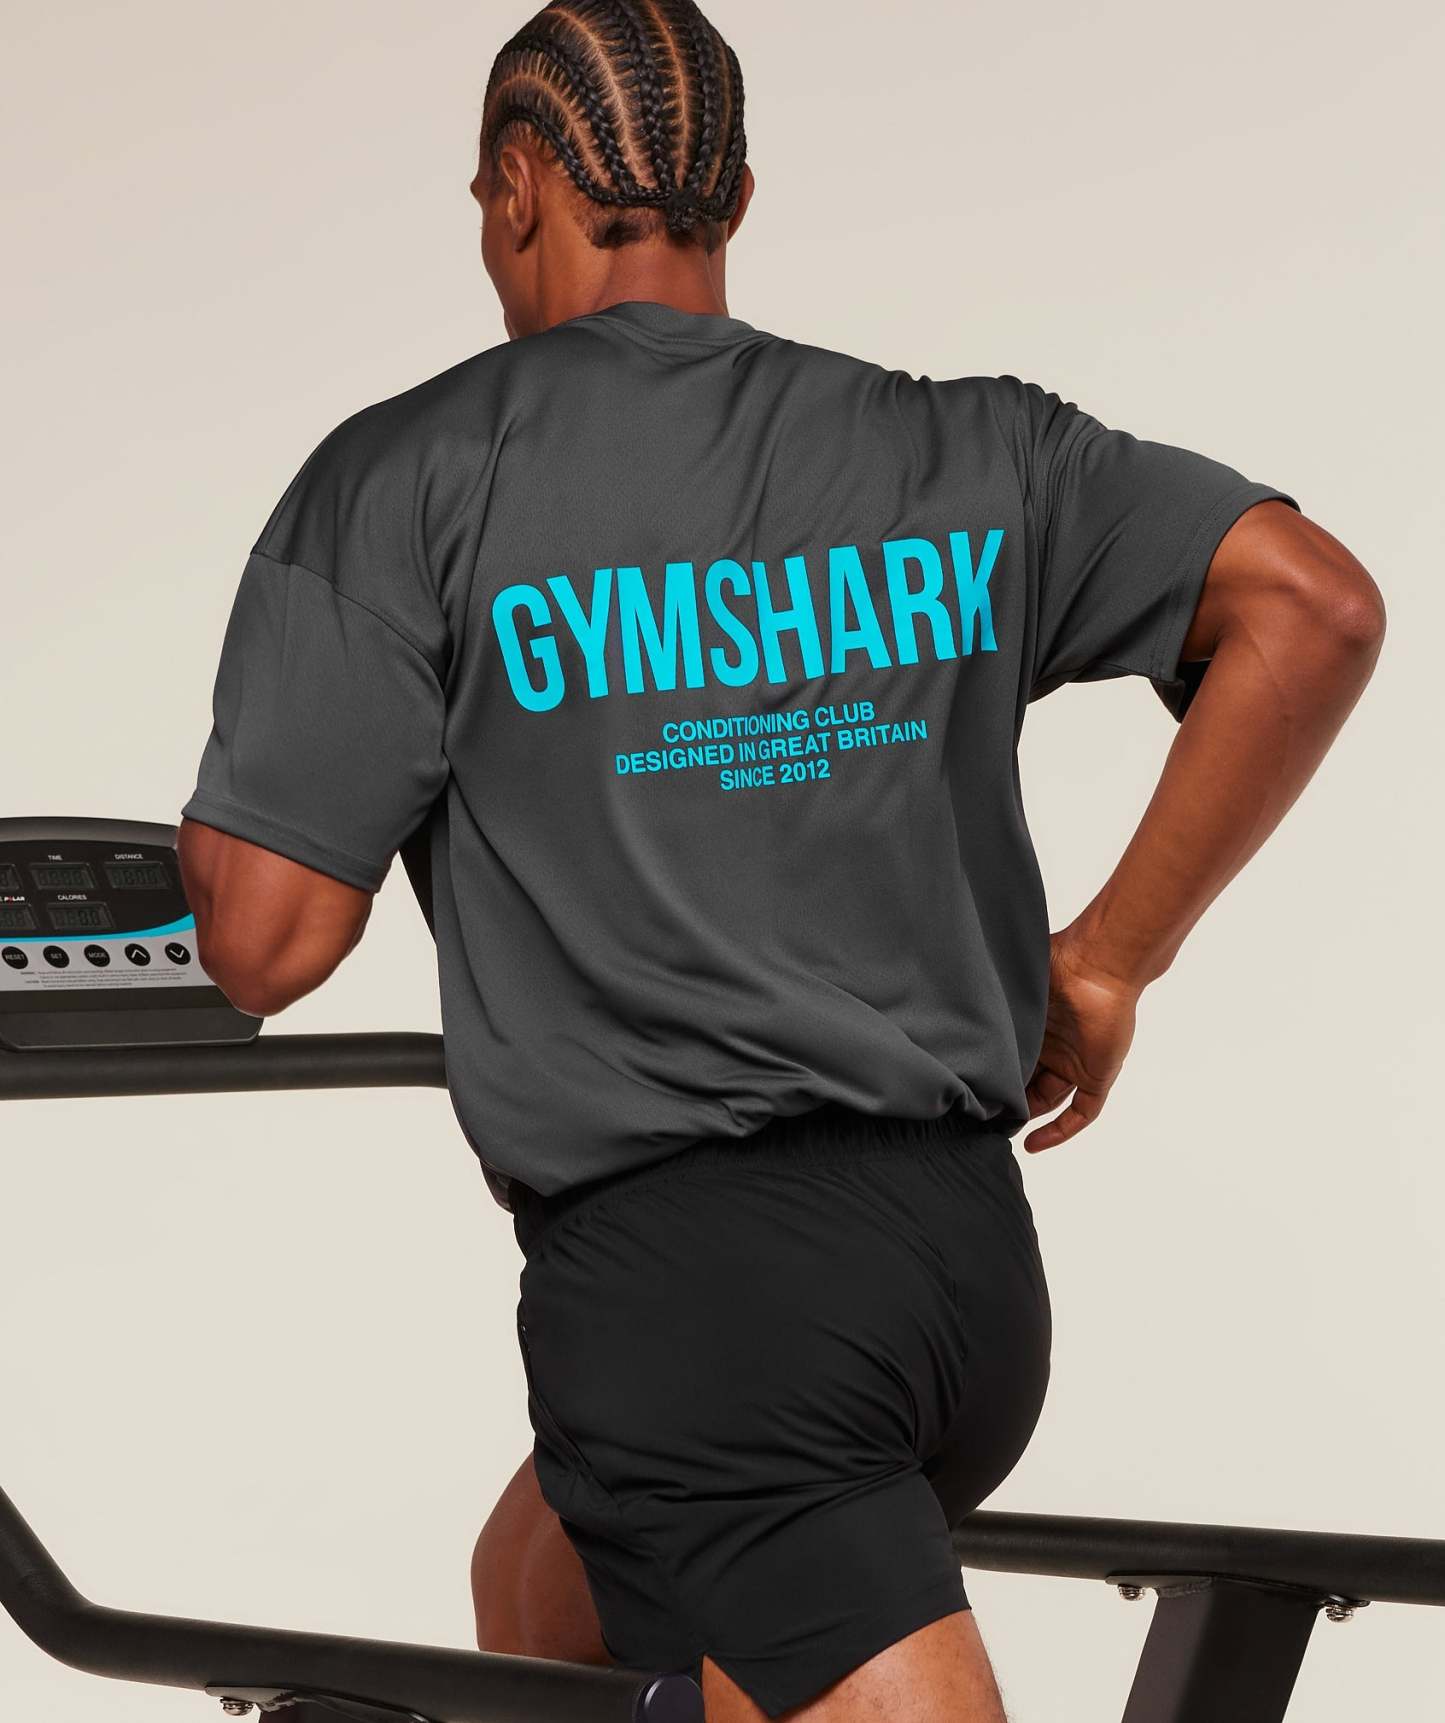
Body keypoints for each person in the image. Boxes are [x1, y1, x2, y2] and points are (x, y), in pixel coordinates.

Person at [176, 2, 1386, 1718]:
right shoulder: (974, 446)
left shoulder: (410, 477)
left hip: (703, 1303)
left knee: (707, 1503)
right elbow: (1311, 607)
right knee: (541, 1587)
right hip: (963, 1282)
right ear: (735, 196)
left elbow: (267, 941)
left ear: (514, 189)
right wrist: (1108, 961)